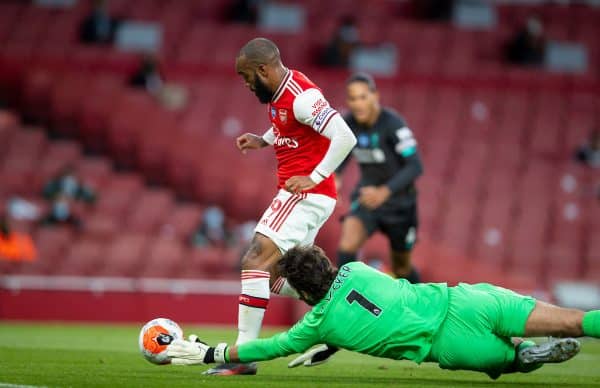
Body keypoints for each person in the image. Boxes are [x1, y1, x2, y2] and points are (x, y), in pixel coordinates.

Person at [166, 245, 597, 380]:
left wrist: (213, 354)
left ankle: (523, 356)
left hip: (449, 346)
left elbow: (269, 346)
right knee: (574, 320)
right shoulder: (355, 269)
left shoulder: (315, 324)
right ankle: (538, 341)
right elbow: (367, 302)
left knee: (508, 362)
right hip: (463, 301)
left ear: (302, 290)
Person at [203, 37, 356, 376]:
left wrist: (314, 176)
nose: (245, 84)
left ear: (262, 69)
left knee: (254, 258)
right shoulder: (280, 95)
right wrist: (264, 139)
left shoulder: (302, 97)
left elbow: (345, 136)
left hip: (304, 193)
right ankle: (341, 313)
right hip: (307, 195)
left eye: (246, 77)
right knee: (274, 275)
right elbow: (287, 123)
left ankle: (242, 356)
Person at [336, 73, 423, 282]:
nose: (358, 104)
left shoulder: (393, 124)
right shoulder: (348, 124)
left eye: (363, 97)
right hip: (367, 198)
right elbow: (340, 156)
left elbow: (415, 166)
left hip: (400, 204)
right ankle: (348, 302)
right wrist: (334, 178)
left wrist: (384, 192)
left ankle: (423, 305)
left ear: (375, 96)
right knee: (346, 245)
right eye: (353, 99)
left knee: (402, 268)